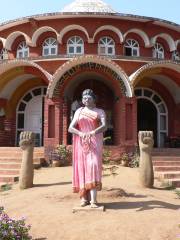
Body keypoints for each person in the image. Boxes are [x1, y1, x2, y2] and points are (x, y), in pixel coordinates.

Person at [68, 89, 106, 208]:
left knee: (93, 166)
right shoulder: (79, 111)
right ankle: (84, 198)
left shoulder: (99, 111)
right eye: (84, 98)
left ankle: (93, 200)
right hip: (81, 143)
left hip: (94, 142)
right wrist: (80, 134)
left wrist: (93, 132)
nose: (86, 100)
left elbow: (104, 126)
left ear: (94, 99)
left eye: (89, 98)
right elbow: (71, 128)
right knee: (82, 168)